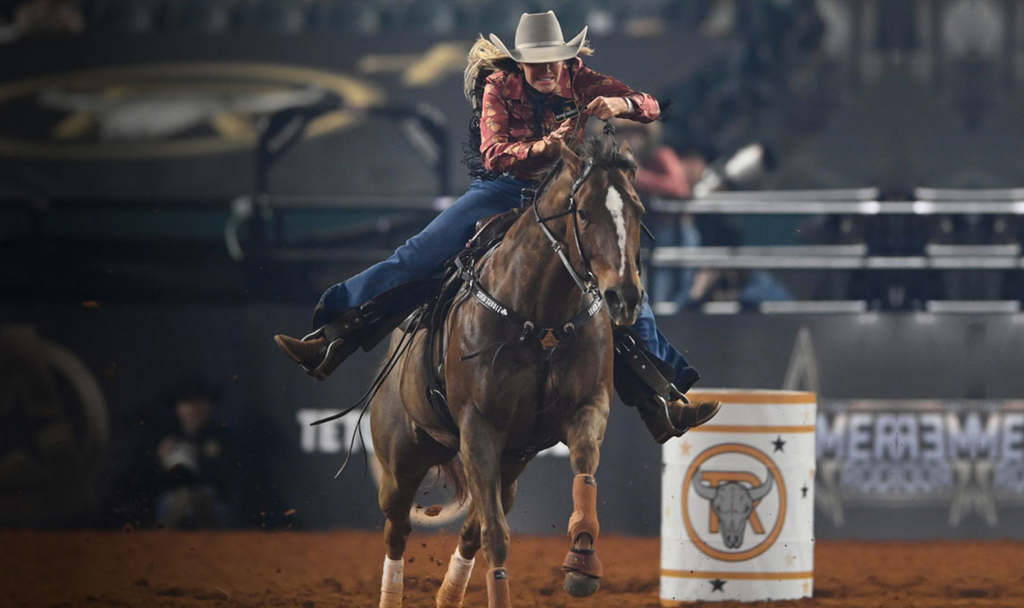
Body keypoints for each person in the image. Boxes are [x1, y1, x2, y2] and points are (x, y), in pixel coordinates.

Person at [274, 11, 720, 439]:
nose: (545, 69)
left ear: (566, 59)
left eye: (552, 60)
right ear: (521, 63)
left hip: (566, 192)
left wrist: (621, 101)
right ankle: (332, 336)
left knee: (619, 274)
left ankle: (666, 397)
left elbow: (651, 106)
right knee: (419, 254)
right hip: (505, 188)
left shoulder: (583, 80)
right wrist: (549, 145)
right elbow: (495, 154)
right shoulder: (499, 85)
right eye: (535, 62)